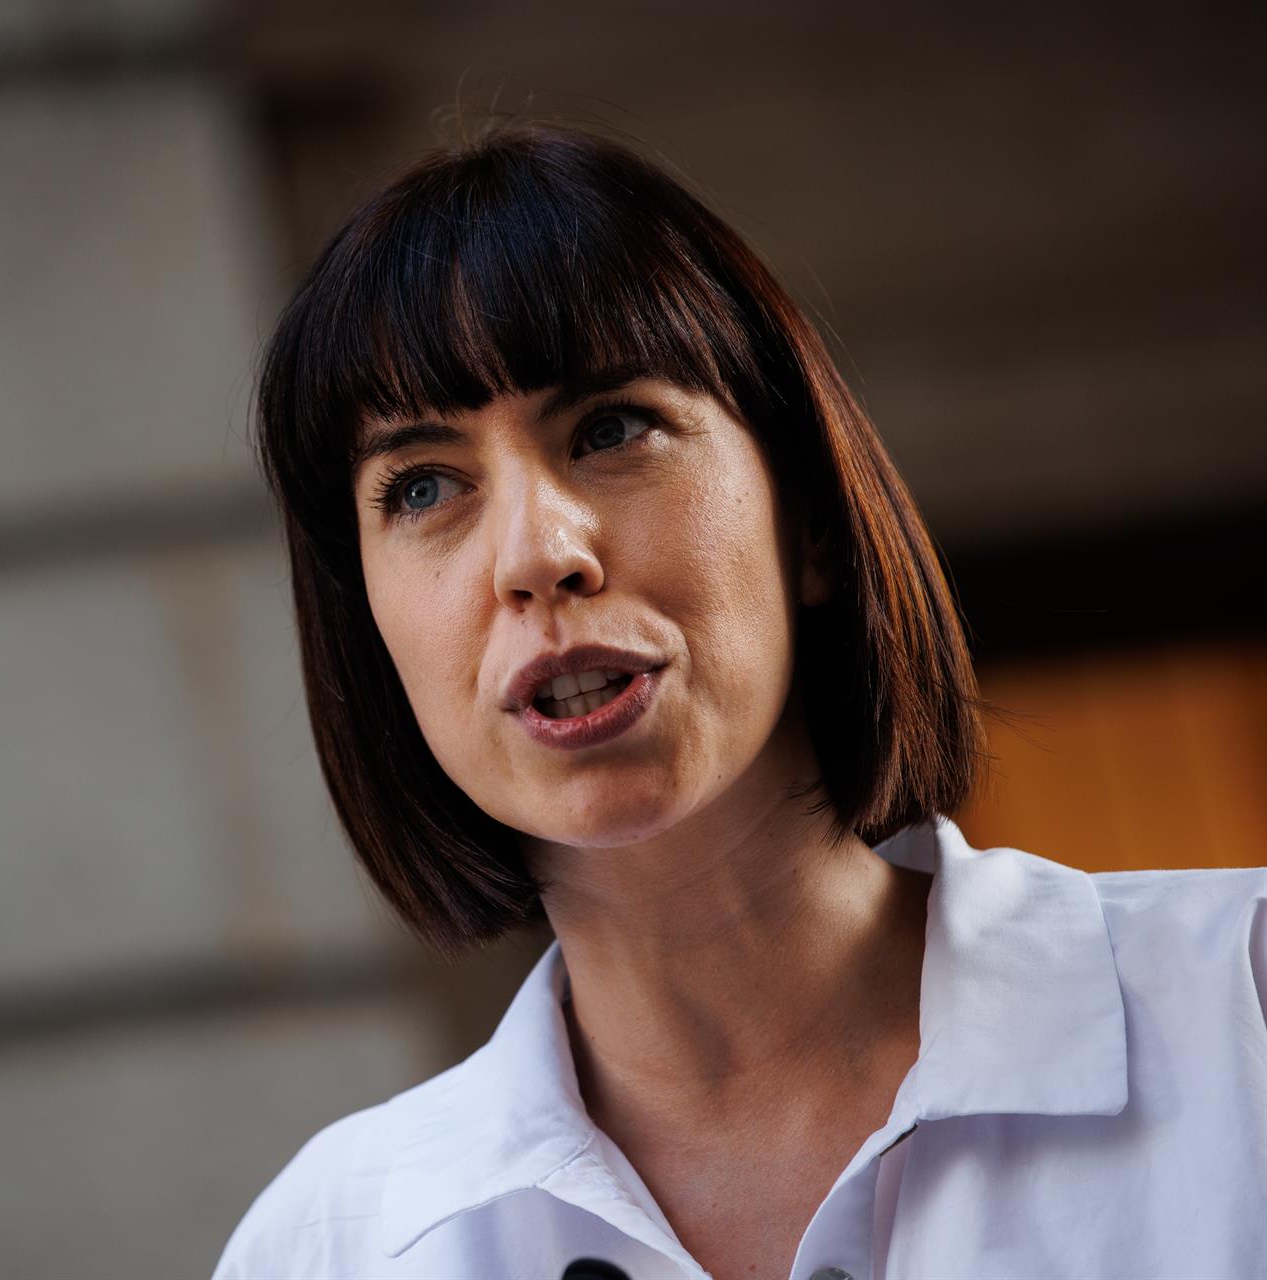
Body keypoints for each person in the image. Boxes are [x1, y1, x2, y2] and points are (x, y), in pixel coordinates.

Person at [209, 118, 1267, 1280]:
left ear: (806, 519)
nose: (538, 553)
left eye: (611, 428)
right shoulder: (333, 1247)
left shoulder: (1242, 1007)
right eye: (422, 487)